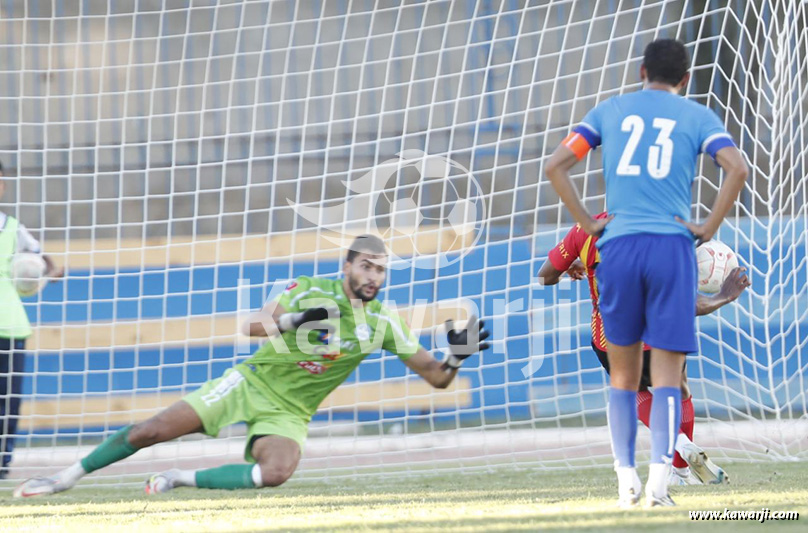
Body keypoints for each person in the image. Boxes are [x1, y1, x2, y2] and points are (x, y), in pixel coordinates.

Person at [14, 234, 490, 497]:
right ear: (346, 266)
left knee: (277, 472)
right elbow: (252, 325)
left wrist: (456, 356)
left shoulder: (385, 322)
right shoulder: (308, 288)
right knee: (149, 431)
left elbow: (436, 379)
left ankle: (180, 478)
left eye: (381, 269)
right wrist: (295, 321)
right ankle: (64, 478)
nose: (373, 276)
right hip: (250, 382)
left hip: (290, 412)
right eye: (366, 265)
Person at [545, 39, 748, 507]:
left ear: (641, 72)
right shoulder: (697, 116)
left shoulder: (609, 111)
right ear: (685, 79)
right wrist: (708, 227)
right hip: (670, 248)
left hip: (619, 248)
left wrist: (588, 223)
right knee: (669, 377)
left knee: (623, 377)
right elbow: (736, 168)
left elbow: (555, 166)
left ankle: (626, 480)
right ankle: (660, 484)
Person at [538, 213, 751, 485]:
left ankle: (679, 444)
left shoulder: (584, 229)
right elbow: (686, 304)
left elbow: (544, 277)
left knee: (631, 391)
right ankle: (681, 471)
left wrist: (574, 265)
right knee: (679, 390)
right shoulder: (664, 230)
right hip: (659, 334)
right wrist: (723, 296)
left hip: (611, 337)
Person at [0, 162, 63, 480]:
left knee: (7, 401)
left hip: (10, 326)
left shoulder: (13, 228)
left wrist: (45, 272)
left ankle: (2, 462)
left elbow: (47, 261)